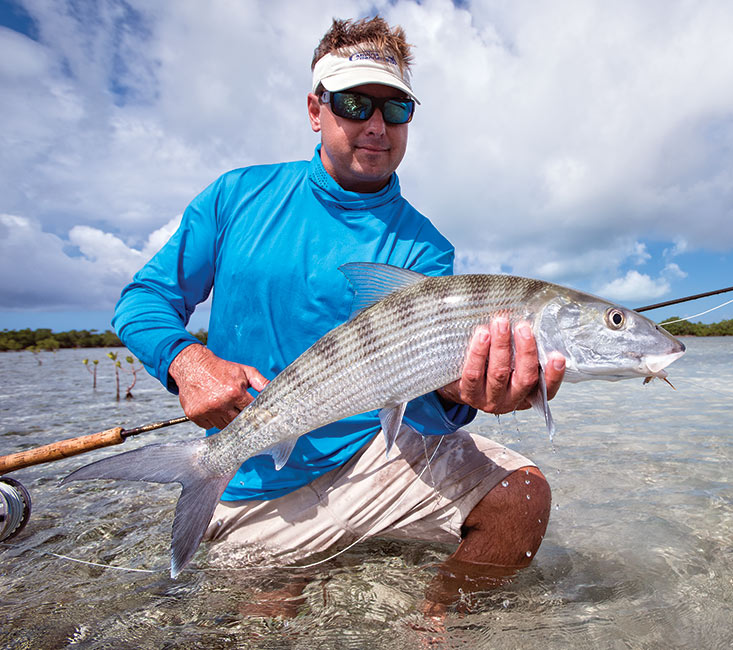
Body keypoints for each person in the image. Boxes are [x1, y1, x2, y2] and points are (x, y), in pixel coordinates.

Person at [112, 16, 564, 613]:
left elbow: (421, 404)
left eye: (395, 109)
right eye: (355, 103)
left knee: (522, 498)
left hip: (376, 455)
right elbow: (142, 301)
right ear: (314, 108)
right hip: (255, 479)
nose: (376, 126)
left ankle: (434, 623)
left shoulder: (425, 247)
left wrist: (466, 393)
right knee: (266, 626)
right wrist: (186, 361)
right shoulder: (236, 196)